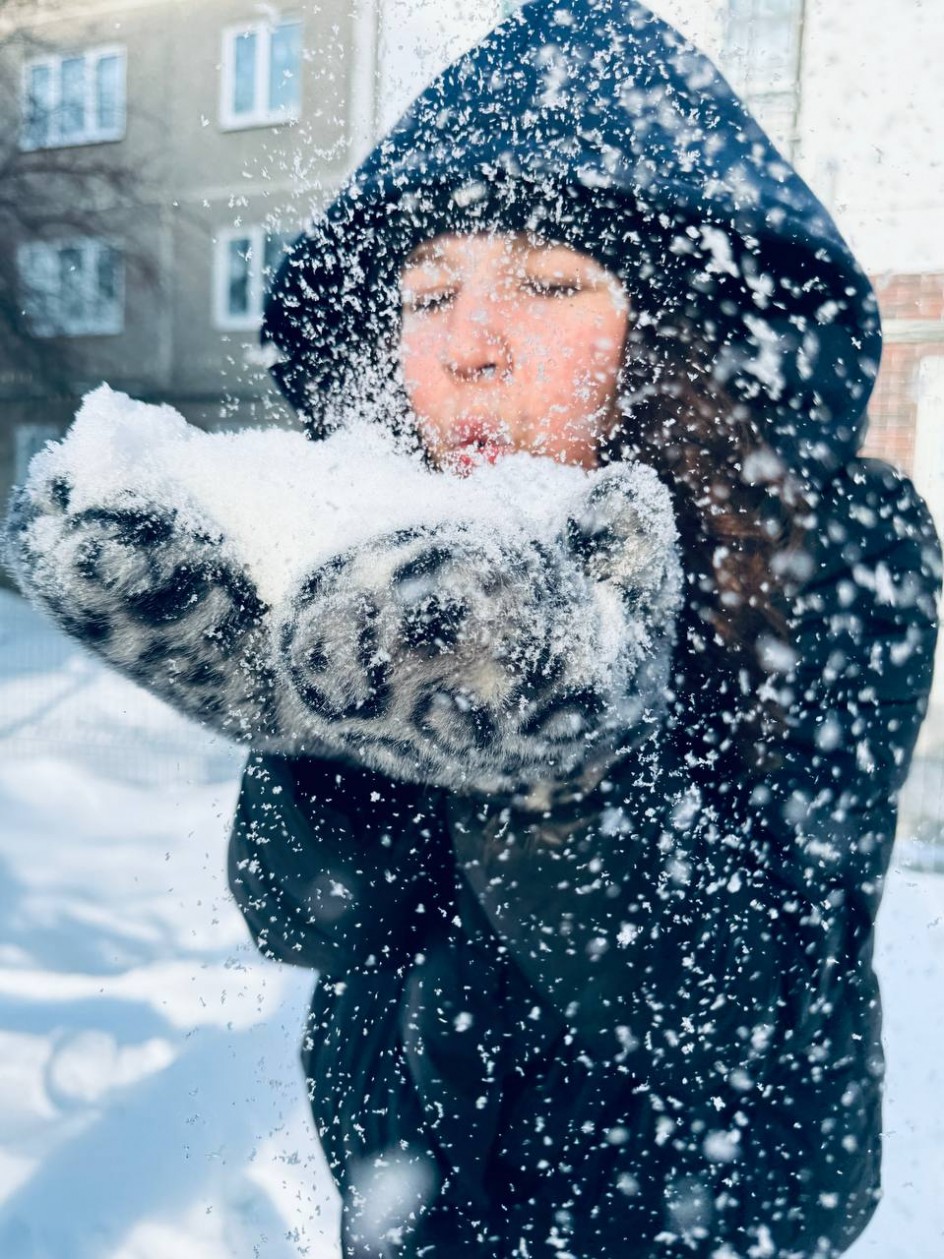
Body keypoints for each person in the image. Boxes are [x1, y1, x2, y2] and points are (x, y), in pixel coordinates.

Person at [3, 1, 940, 1256]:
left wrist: (549, 763)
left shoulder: (830, 544)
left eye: (549, 282)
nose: (467, 347)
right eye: (427, 291)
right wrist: (284, 692)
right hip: (415, 1198)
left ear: (668, 325)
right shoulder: (393, 530)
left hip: (702, 1216)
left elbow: (730, 1018)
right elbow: (312, 916)